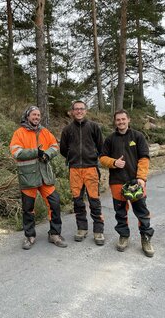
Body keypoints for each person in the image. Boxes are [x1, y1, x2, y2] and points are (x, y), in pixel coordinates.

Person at [10, 105, 67, 250]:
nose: (36, 117)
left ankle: (54, 234)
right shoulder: (19, 133)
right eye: (34, 115)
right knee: (28, 208)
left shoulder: (45, 131)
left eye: (38, 115)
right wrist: (36, 152)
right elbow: (16, 152)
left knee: (54, 203)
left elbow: (54, 146)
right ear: (27, 116)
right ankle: (29, 236)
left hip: (44, 176)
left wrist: (47, 154)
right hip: (28, 177)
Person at [99, 109, 155, 257]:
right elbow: (102, 158)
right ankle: (124, 236)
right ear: (115, 122)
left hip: (135, 182)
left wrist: (141, 178)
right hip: (116, 182)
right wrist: (113, 162)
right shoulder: (110, 139)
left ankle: (146, 238)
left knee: (141, 212)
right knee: (120, 212)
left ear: (128, 120)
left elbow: (144, 158)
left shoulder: (138, 136)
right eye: (118, 120)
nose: (121, 122)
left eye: (123, 119)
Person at [60, 100, 105, 245]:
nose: (79, 111)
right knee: (77, 201)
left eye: (81, 109)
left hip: (91, 168)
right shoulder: (67, 130)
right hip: (74, 170)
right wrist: (72, 157)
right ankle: (82, 228)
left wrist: (92, 156)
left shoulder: (94, 127)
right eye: (76, 109)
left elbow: (100, 146)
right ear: (72, 112)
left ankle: (98, 231)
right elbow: (63, 149)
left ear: (85, 111)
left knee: (94, 201)